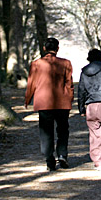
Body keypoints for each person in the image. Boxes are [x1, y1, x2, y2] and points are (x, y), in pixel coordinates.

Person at [25, 37, 74, 171]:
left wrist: (28, 99)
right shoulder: (66, 63)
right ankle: (62, 154)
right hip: (62, 102)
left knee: (46, 131)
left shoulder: (36, 64)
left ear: (44, 48)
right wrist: (70, 98)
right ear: (57, 49)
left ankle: (49, 160)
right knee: (63, 130)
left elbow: (31, 84)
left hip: (43, 103)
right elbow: (69, 84)